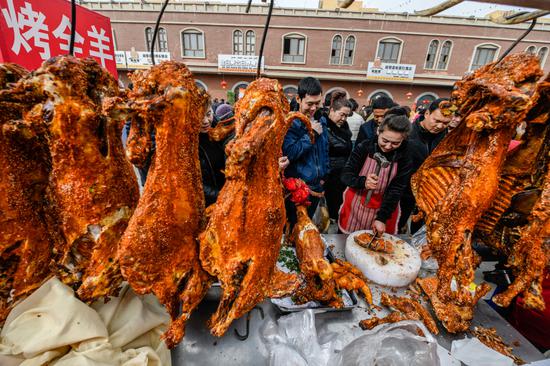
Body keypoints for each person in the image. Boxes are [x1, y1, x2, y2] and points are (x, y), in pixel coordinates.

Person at [338, 108, 412, 235]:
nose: (388, 147)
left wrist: (382, 218)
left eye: (395, 143)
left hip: (384, 207)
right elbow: (346, 175)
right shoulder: (364, 147)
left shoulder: (405, 156)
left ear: (403, 139)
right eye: (385, 140)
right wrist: (363, 181)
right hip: (355, 207)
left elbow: (397, 189)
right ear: (378, 131)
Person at [399, 98, 453, 233]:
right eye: (437, 121)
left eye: (445, 123)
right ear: (427, 114)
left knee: (420, 231)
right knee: (397, 226)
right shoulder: (407, 132)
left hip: (429, 193)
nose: (440, 126)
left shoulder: (447, 138)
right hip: (403, 191)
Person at [282, 76, 329, 226]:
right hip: (297, 188)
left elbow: (325, 149)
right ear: (299, 99)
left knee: (308, 227)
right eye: (309, 104)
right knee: (293, 227)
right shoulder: (290, 122)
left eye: (317, 103)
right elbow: (289, 153)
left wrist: (325, 175)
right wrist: (311, 135)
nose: (314, 108)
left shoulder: (321, 120)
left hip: (317, 186)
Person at [324, 91, 353, 220]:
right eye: (342, 115)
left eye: (346, 116)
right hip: (328, 175)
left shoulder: (344, 127)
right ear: (332, 111)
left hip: (341, 174)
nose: (344, 119)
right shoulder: (323, 127)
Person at [199, 105, 226, 207]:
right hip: (206, 203)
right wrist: (221, 196)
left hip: (229, 193)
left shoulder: (223, 129)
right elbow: (194, 184)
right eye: (199, 116)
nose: (205, 121)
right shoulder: (186, 142)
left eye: (208, 114)